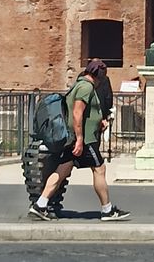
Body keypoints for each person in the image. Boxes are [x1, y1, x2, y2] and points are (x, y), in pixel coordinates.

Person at [29, 59, 130, 222]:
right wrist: (80, 140)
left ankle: (40, 205)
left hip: (77, 138)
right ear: (98, 75)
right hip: (84, 139)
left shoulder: (80, 84)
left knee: (62, 170)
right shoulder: (86, 87)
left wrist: (99, 122)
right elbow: (77, 113)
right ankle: (107, 210)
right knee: (99, 169)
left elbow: (87, 113)